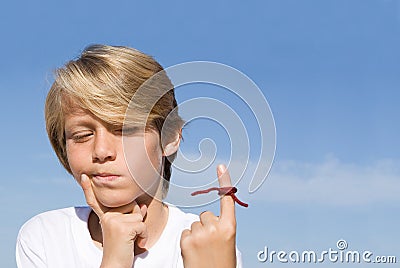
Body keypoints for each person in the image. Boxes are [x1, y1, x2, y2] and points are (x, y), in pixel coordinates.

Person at [16, 44, 243, 267]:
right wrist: (114, 260)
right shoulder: (45, 238)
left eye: (124, 130)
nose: (101, 151)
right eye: (82, 135)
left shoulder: (209, 245)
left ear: (170, 137)